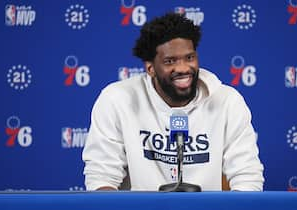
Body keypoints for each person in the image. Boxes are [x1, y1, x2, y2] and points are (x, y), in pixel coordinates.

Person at [82, 13, 264, 191]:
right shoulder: (117, 99)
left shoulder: (228, 101)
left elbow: (247, 176)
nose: (183, 68)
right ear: (150, 68)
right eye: (170, 61)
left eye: (189, 58)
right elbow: (101, 176)